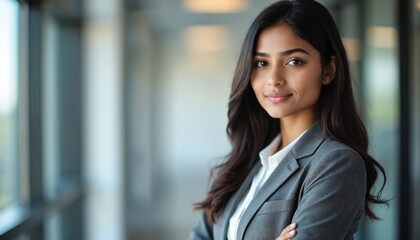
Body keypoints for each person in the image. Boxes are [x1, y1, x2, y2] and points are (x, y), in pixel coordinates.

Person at [188, 0, 388, 239]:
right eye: (261, 63)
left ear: (328, 70)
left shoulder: (336, 163)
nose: (274, 79)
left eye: (294, 61)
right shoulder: (249, 158)